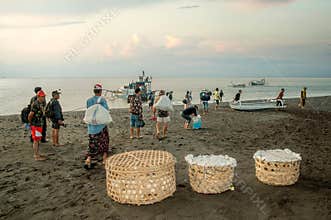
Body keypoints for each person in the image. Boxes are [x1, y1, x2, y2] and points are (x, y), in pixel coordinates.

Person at [85, 84, 110, 169]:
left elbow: (88, 111)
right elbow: (106, 110)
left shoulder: (88, 100)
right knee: (104, 141)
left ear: (94, 91)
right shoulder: (102, 100)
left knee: (92, 143)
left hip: (91, 125)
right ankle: (104, 159)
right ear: (101, 91)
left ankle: (88, 159)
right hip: (101, 125)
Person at [28, 90, 47, 161]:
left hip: (39, 124)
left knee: (38, 139)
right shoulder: (35, 104)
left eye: (44, 96)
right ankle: (36, 156)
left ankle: (37, 154)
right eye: (42, 97)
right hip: (35, 125)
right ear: (38, 96)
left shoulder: (40, 103)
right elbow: (30, 115)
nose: (44, 98)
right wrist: (31, 123)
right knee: (36, 140)